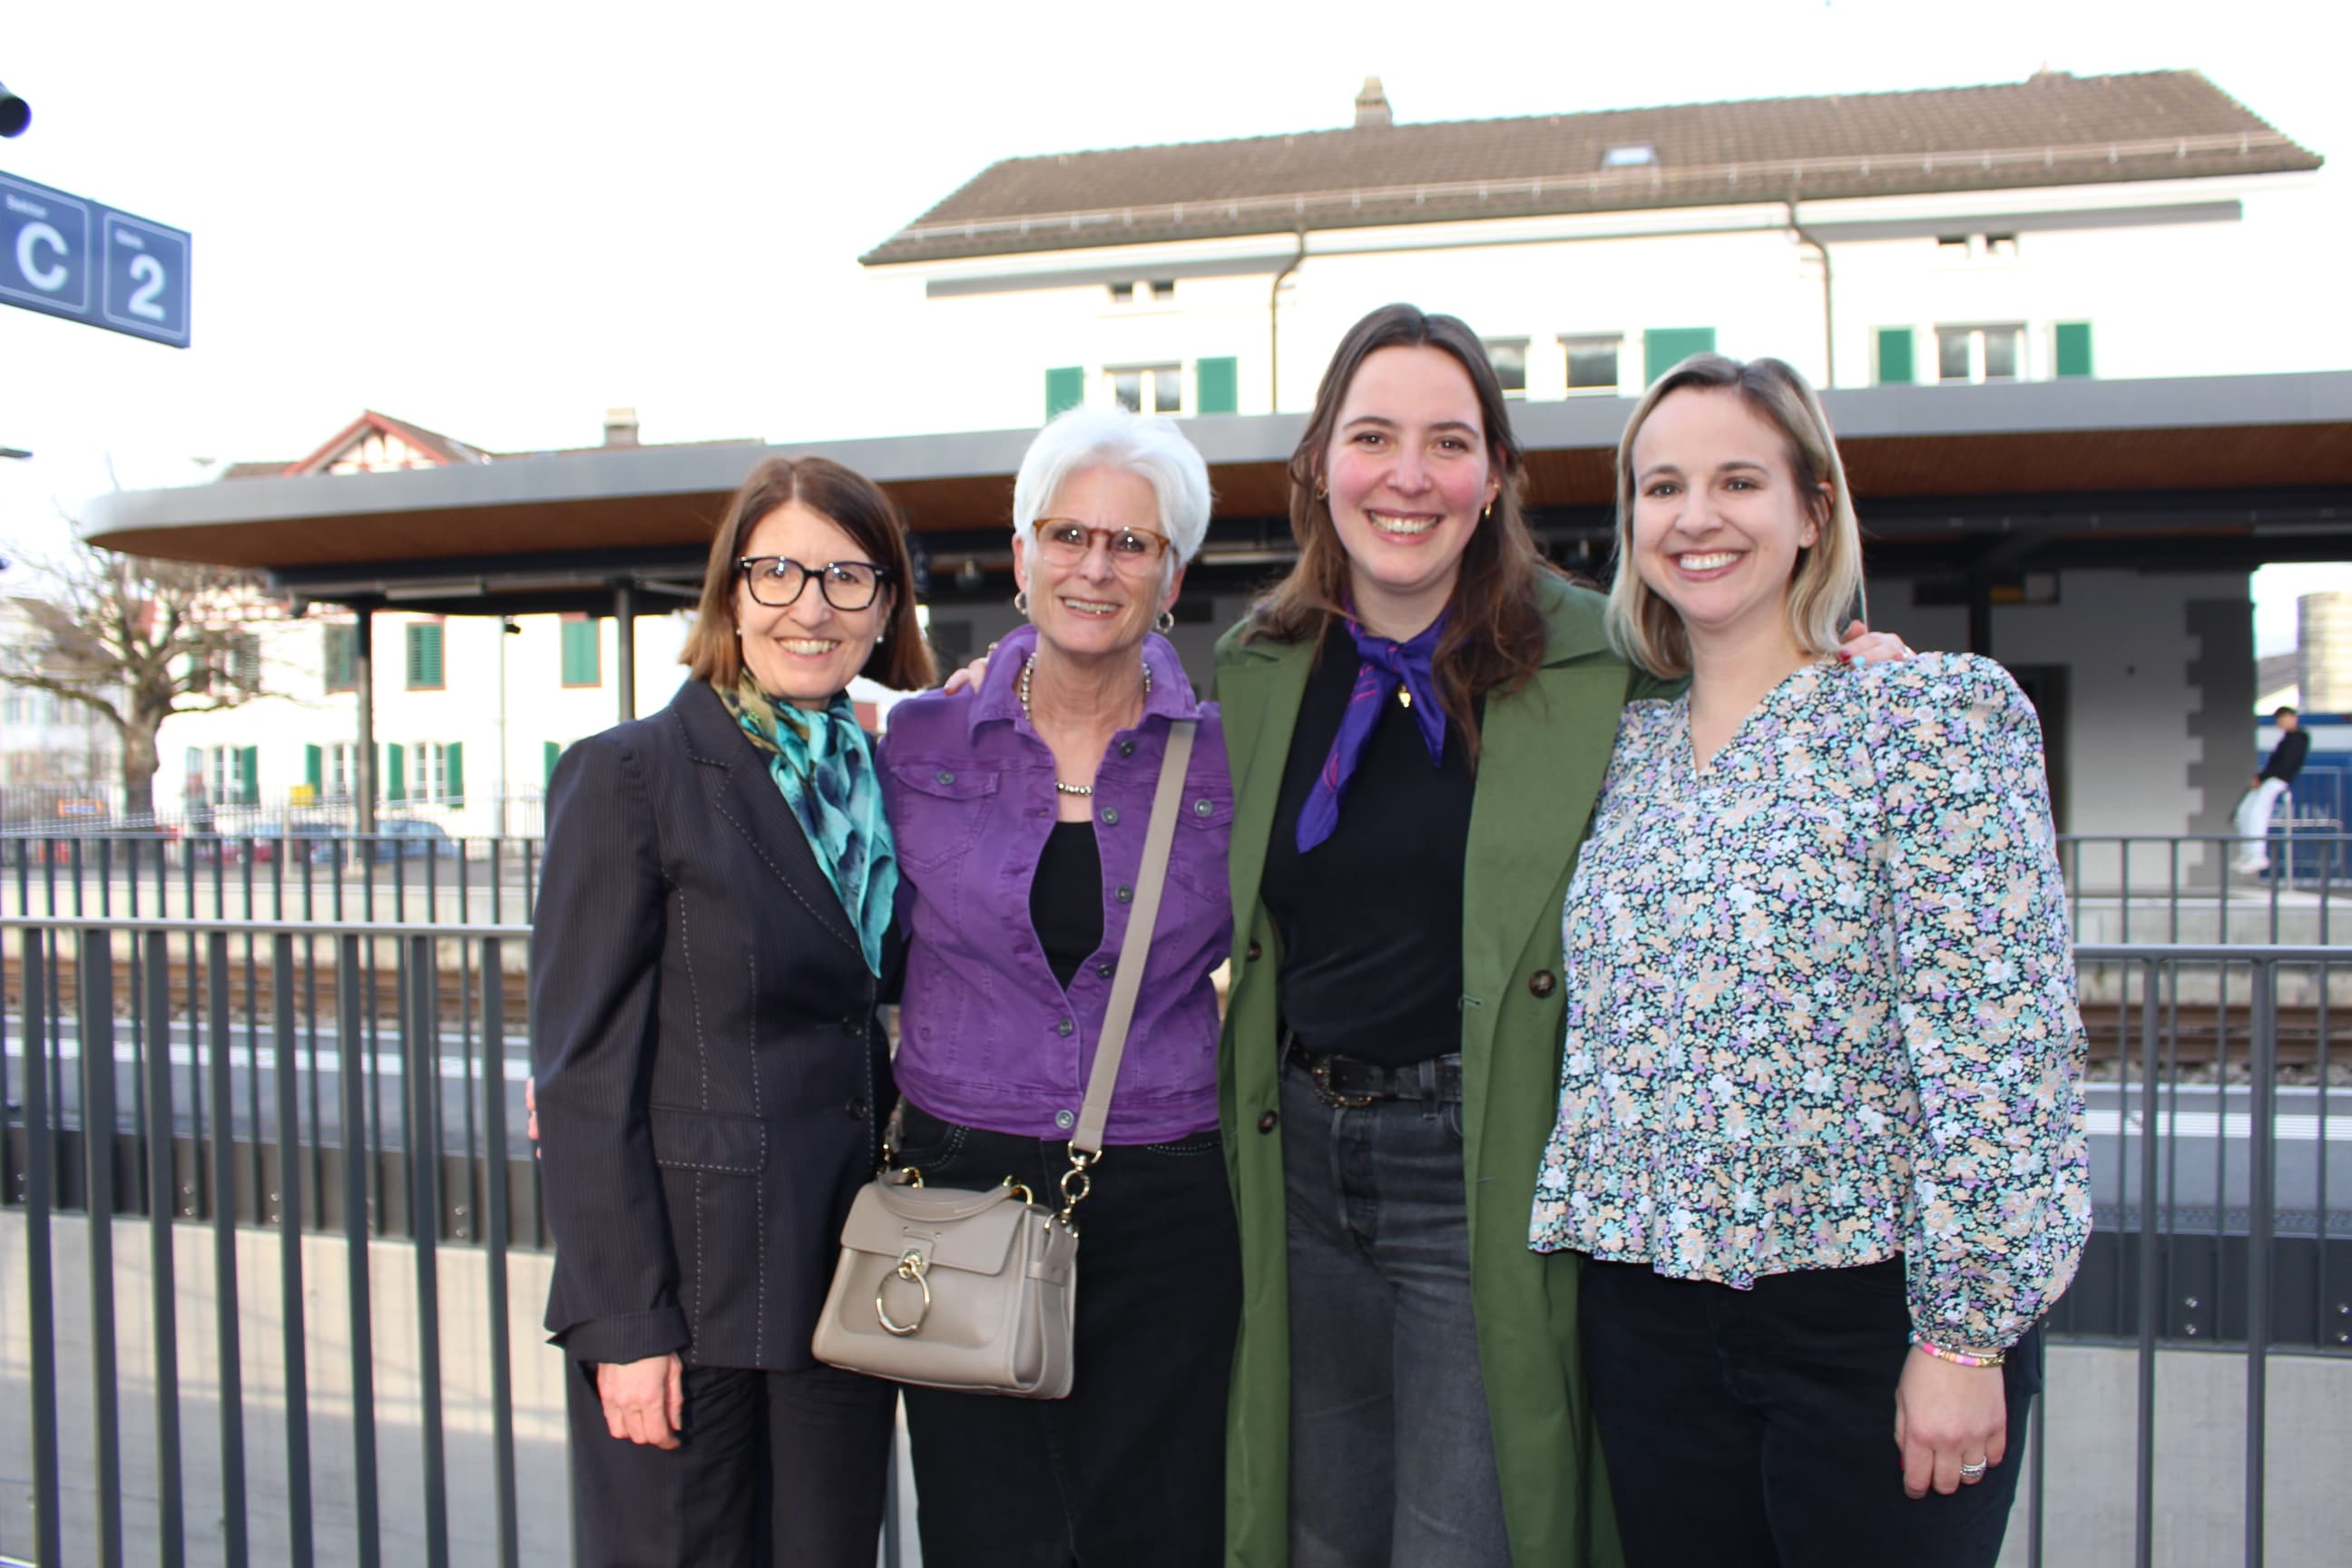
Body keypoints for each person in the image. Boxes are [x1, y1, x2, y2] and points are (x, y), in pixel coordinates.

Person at [1211, 305, 1910, 1567]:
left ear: (1495, 478)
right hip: (1297, 1161)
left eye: (1449, 442)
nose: (1408, 476)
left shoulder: (1605, 654)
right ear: (1318, 464)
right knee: (1318, 1530)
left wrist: (1848, 668)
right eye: (1372, 437)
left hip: (1479, 1160)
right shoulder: (1258, 667)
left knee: (1462, 1533)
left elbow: (1750, 680)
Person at [1528, 353, 2090, 1567]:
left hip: (1869, 1318)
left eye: (1739, 481)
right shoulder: (1616, 754)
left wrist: (1966, 1338)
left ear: (1813, 511)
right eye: (1662, 487)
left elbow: (2003, 1050)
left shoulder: (1926, 719)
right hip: (1649, 1318)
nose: (1697, 517)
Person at [531, 456, 936, 1567]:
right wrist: (624, 1325)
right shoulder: (632, 774)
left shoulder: (888, 784)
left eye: (847, 577)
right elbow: (581, 1073)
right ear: (729, 594)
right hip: (692, 1306)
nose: (811, 607)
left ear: (886, 607)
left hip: (848, 1285)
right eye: (777, 573)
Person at [877, 406, 1240, 1564]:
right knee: (985, 1529)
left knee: (1162, 1526)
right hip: (959, 1185)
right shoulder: (917, 744)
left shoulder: (1234, 756)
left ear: (1172, 576)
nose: (1096, 566)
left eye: (1132, 543)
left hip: (1168, 1193)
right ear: (1022, 554)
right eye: (1068, 534)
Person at [2233, 705, 2308, 873]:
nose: (2280, 723)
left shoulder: (2298, 738)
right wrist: (2261, 777)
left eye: (2283, 719)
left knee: (2257, 813)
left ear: (2292, 717)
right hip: (2269, 778)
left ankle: (2257, 854)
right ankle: (2248, 853)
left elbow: (2284, 764)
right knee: (2244, 812)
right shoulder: (2286, 739)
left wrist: (2263, 777)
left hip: (2278, 779)